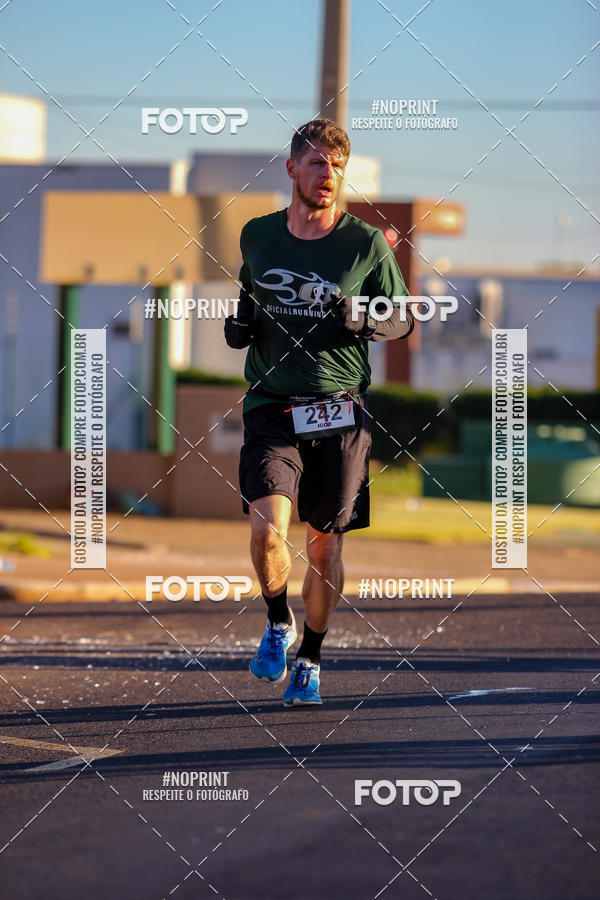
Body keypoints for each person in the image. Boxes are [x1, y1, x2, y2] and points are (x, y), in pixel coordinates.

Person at [224, 118, 413, 706]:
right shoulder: (257, 236)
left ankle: (311, 654)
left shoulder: (366, 244)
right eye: (315, 163)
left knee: (324, 545)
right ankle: (278, 620)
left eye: (335, 165)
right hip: (272, 408)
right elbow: (250, 296)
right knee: (266, 527)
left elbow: (403, 318)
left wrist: (361, 317)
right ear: (292, 170)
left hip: (338, 412)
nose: (326, 174)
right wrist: (241, 326)